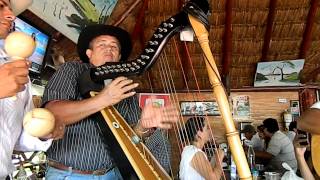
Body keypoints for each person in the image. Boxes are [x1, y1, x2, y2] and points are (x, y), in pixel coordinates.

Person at [42, 24, 179, 179]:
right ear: (89, 53)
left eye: (114, 46)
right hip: (69, 174)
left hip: (113, 175)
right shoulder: (72, 70)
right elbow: (51, 114)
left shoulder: (125, 86)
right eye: (102, 44)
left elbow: (132, 138)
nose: (109, 49)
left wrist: (143, 126)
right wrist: (104, 99)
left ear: (119, 57)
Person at [0, 0, 53, 179]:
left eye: (9, 8)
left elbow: (19, 138)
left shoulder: (18, 71)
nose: (11, 15)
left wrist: (43, 133)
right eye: (1, 6)